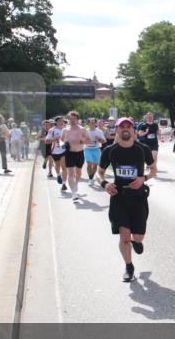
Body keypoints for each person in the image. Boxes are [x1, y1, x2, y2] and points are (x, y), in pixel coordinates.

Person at [97, 117, 155, 282]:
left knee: (138, 237)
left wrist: (143, 178)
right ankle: (129, 267)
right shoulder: (110, 151)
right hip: (119, 197)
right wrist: (104, 183)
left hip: (138, 198)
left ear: (133, 130)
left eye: (128, 127)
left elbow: (153, 169)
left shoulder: (143, 149)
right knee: (123, 236)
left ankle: (135, 241)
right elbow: (99, 173)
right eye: (121, 127)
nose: (125, 129)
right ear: (116, 130)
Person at [61, 111, 92, 202]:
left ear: (77, 119)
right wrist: (63, 144)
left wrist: (82, 141)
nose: (72, 120)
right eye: (70, 118)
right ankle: (74, 193)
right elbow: (61, 140)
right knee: (70, 173)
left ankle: (76, 184)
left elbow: (89, 141)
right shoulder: (65, 130)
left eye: (74, 119)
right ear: (68, 119)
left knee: (78, 173)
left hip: (79, 153)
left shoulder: (82, 129)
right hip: (69, 153)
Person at [84, 117, 107, 187]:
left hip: (96, 149)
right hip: (87, 148)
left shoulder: (99, 131)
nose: (92, 124)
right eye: (91, 122)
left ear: (96, 123)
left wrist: (99, 139)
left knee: (94, 166)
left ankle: (91, 177)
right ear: (88, 123)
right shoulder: (85, 131)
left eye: (94, 122)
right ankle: (90, 179)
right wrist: (86, 140)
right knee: (89, 164)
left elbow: (104, 141)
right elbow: (81, 140)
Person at [46, 116, 66, 185]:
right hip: (55, 151)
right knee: (57, 165)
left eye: (62, 121)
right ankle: (58, 174)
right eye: (60, 121)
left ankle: (64, 183)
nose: (61, 122)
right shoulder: (52, 130)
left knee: (64, 167)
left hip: (63, 150)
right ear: (56, 122)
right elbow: (46, 141)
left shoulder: (65, 129)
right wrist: (54, 139)